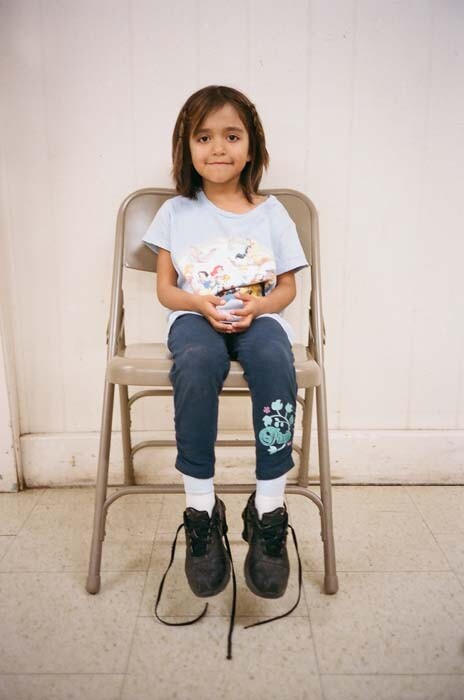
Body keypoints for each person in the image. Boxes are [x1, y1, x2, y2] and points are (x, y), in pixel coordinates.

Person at [143, 85, 307, 659]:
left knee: (275, 360)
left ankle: (268, 510)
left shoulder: (273, 212)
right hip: (196, 317)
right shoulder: (175, 212)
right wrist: (200, 304)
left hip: (258, 318)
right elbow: (167, 290)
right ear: (186, 147)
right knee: (195, 363)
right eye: (204, 137)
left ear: (251, 146)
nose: (218, 148)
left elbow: (286, 288)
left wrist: (258, 309)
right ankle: (200, 509)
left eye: (231, 136)